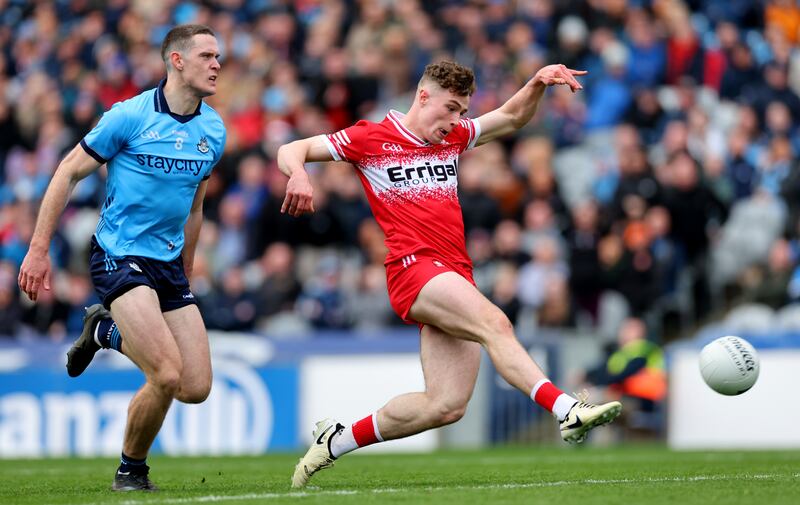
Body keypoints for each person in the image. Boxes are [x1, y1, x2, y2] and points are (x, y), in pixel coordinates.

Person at [278, 60, 622, 489]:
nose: (458, 121)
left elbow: (512, 117)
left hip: (454, 273)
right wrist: (298, 175)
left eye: (463, 111)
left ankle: (336, 440)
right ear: (423, 97)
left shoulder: (452, 138)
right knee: (496, 323)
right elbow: (291, 148)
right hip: (413, 269)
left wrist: (535, 83)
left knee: (445, 405)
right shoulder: (371, 138)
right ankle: (567, 411)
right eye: (453, 108)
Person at [17, 24, 226, 491]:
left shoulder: (213, 130)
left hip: (168, 264)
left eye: (219, 58)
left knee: (195, 386)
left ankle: (102, 329)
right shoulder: (128, 116)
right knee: (165, 374)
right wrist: (38, 249)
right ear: (176, 61)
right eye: (208, 56)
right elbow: (68, 172)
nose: (217, 65)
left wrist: (188, 266)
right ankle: (132, 470)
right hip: (120, 255)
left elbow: (196, 205)